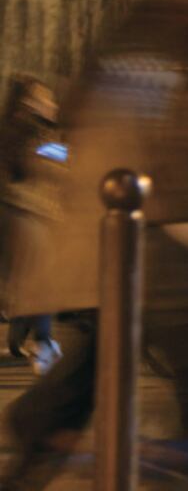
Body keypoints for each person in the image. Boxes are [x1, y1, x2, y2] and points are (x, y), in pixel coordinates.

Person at [4, 0, 188, 486]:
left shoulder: (127, 44)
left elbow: (77, 132)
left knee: (94, 371)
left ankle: (43, 432)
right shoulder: (182, 51)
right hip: (154, 246)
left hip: (125, 244)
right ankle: (56, 435)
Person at [0, 76, 64, 376]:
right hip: (28, 214)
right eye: (45, 98)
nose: (52, 104)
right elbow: (54, 165)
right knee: (42, 281)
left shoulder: (19, 129)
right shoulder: (31, 132)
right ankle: (43, 344)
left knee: (29, 280)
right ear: (29, 102)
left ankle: (25, 334)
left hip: (24, 213)